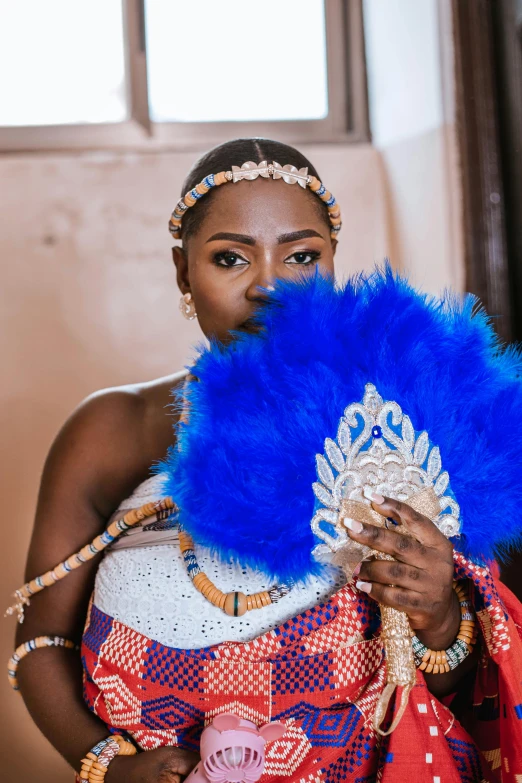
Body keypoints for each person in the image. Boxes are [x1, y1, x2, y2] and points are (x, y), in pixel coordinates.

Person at [10, 138, 522, 783]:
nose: (270, 288)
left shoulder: (404, 425)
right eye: (230, 258)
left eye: (302, 256)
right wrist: (107, 768)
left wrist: (440, 617)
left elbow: (452, 698)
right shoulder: (112, 430)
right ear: (182, 273)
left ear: (333, 265)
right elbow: (40, 643)